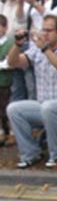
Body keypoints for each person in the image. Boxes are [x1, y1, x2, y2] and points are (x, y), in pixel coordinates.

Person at [5, 14, 57, 168]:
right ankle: (30, 153)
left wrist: (45, 49)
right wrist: (17, 45)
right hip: (43, 104)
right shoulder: (36, 50)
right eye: (43, 30)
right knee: (14, 109)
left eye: (49, 30)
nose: (45, 34)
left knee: (49, 107)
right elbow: (13, 63)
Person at [1, 0, 42, 101]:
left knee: (30, 86)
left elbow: (21, 21)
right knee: (15, 87)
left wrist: (20, 3)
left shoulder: (29, 5)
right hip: (8, 50)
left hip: (26, 50)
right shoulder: (3, 4)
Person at [0, 14, 13, 144]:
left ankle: (10, 133)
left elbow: (9, 62)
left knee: (6, 108)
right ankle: (1, 132)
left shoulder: (10, 43)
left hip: (6, 82)